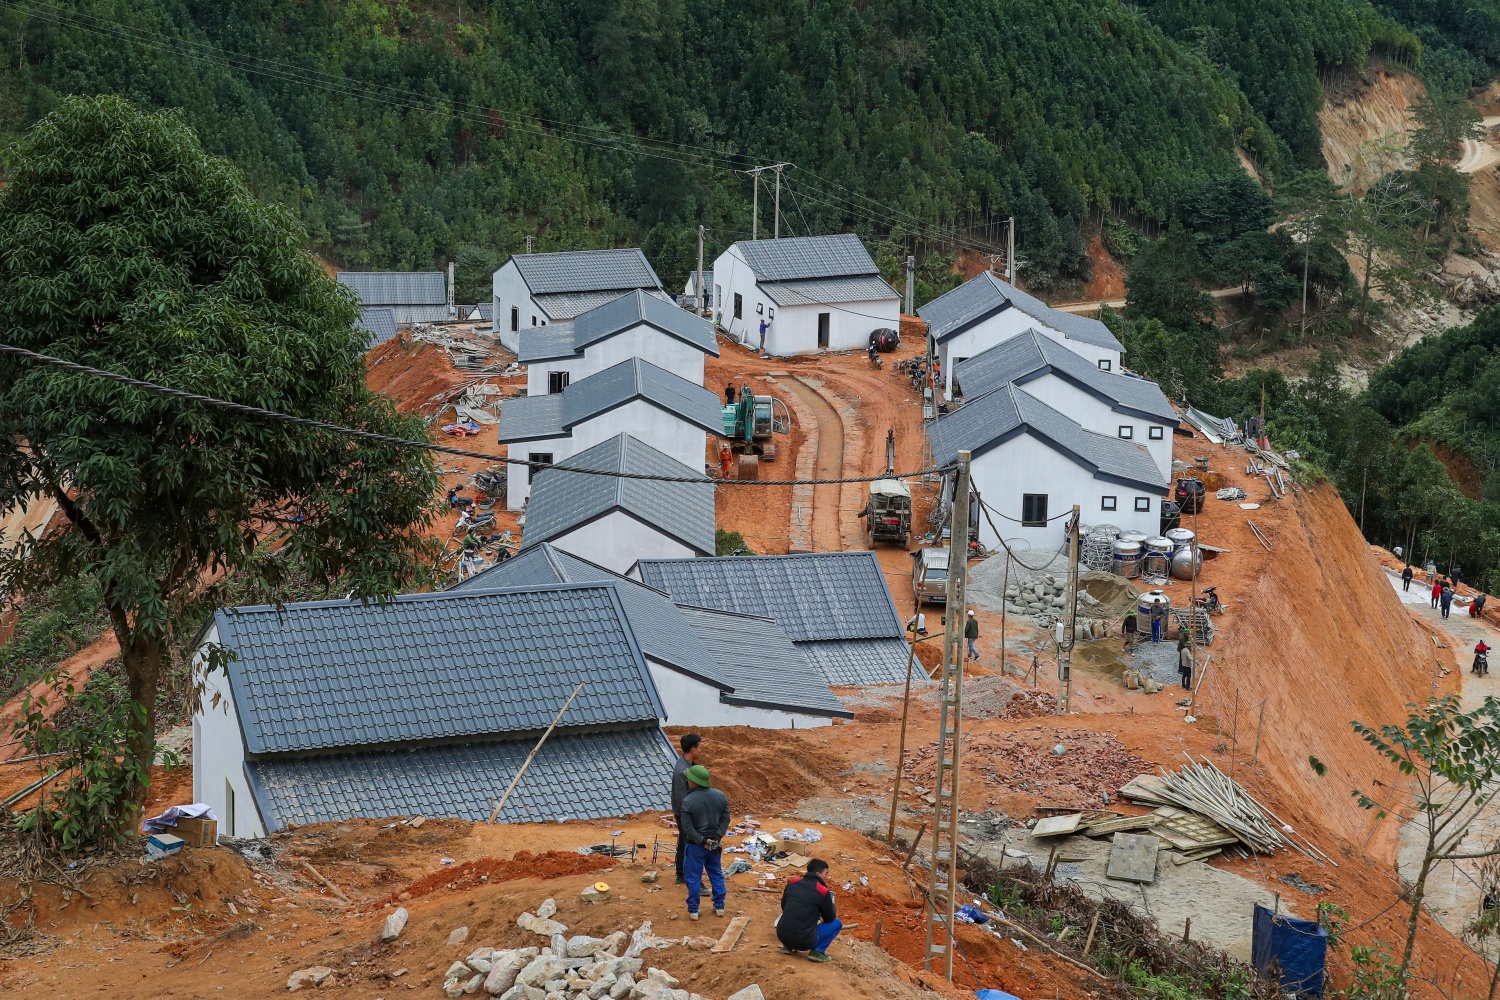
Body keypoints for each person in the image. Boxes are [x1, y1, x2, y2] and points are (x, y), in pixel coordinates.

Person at [679, 764, 729, 920]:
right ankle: (719, 906)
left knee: (693, 877)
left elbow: (687, 828)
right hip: (714, 845)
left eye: (689, 779)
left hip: (695, 846)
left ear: (695, 782)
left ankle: (694, 910)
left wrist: (702, 841)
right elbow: (725, 819)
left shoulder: (688, 801)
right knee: (716, 874)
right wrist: (716, 838)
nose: (688, 781)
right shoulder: (720, 796)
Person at [777, 859, 841, 963]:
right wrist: (832, 903)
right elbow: (829, 918)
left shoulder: (793, 883)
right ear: (818, 874)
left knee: (795, 915)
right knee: (837, 923)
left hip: (782, 935)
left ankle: (788, 947)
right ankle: (818, 951)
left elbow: (784, 906)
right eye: (826, 874)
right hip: (805, 941)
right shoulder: (822, 891)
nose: (827, 877)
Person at [671, 734, 703, 885]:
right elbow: (681, 799)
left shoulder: (689, 766)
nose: (701, 750)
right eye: (699, 747)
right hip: (685, 814)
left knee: (684, 842)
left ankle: (681, 873)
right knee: (689, 843)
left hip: (688, 812)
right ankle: (686, 875)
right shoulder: (681, 771)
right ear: (693, 749)